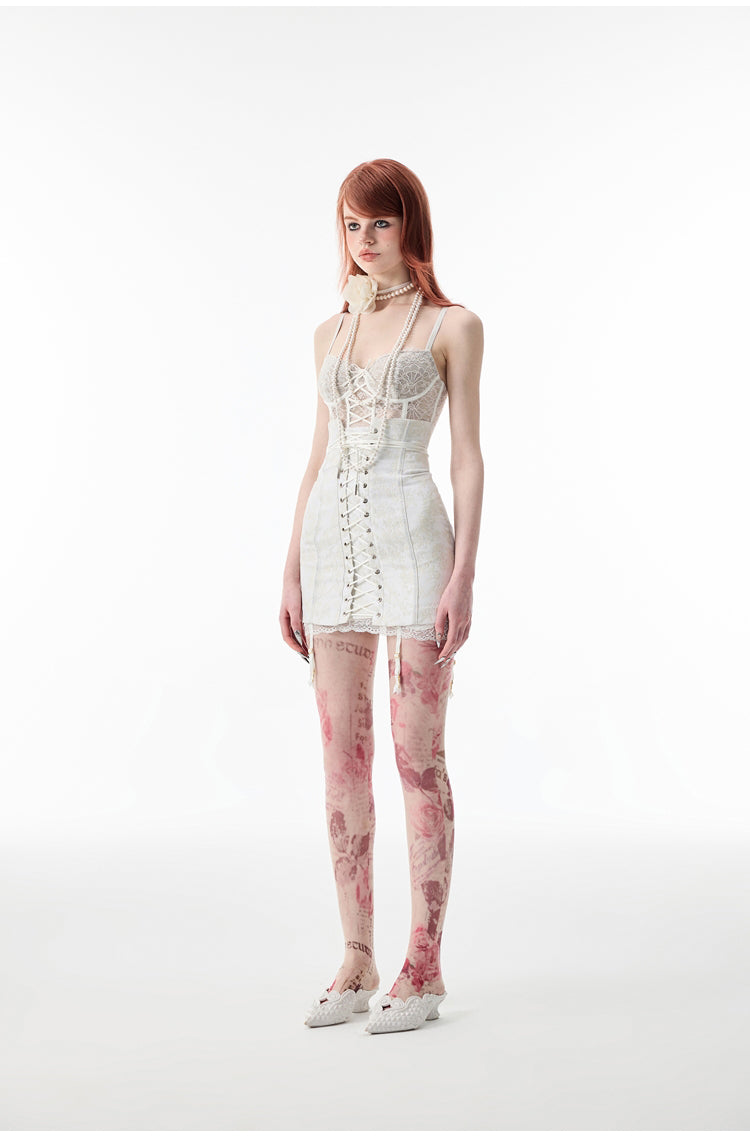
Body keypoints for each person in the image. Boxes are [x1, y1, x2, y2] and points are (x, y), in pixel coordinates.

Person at [279, 158, 484, 1033]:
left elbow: (467, 456)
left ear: (410, 227)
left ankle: (424, 968)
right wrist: (291, 566)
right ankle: (356, 957)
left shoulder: (453, 325)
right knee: (341, 764)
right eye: (352, 224)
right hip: (331, 551)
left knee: (416, 759)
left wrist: (464, 571)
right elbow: (317, 455)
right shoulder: (330, 332)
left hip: (415, 547)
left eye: (380, 222)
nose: (364, 239)